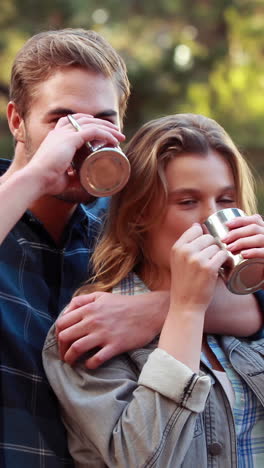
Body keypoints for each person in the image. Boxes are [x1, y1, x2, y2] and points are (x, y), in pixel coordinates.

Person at [43, 113, 264, 467]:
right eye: (187, 202)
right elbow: (145, 459)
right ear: (138, 216)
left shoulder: (249, 311)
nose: (211, 220)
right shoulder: (91, 329)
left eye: (225, 201)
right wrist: (185, 311)